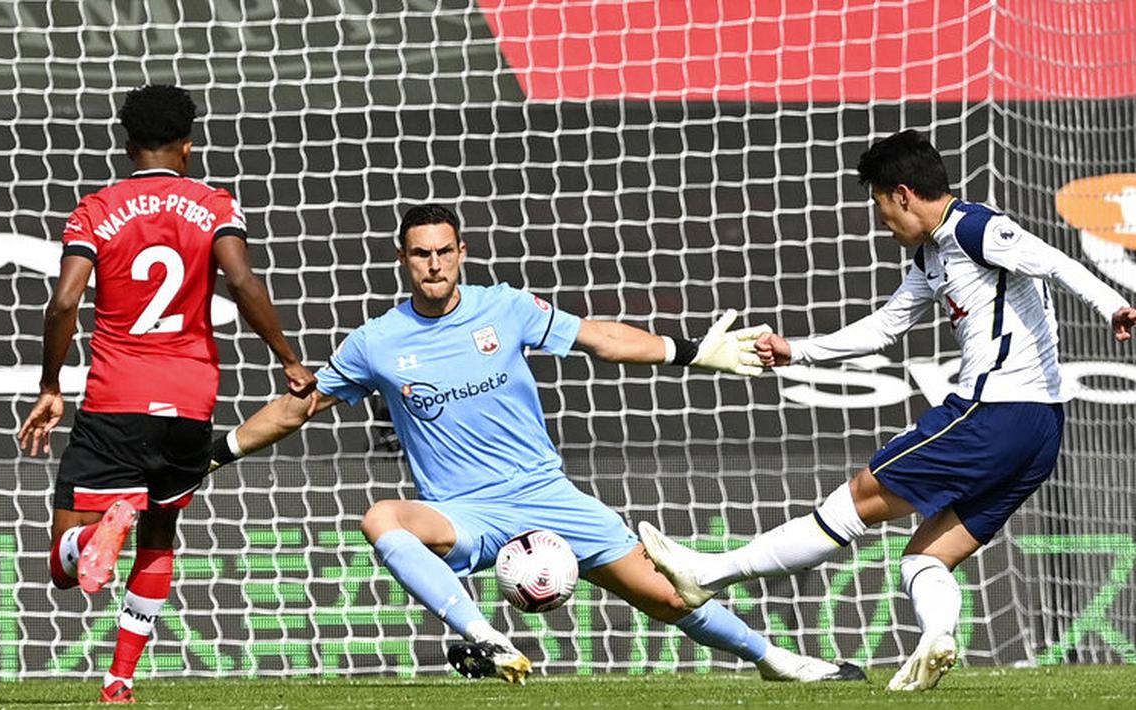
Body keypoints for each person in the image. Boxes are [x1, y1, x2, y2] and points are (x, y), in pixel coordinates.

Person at [206, 203, 867, 685]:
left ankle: (776, 661)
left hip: (547, 495)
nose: (433, 264)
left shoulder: (504, 308)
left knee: (671, 597)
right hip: (462, 511)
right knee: (382, 517)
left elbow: (601, 338)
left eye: (443, 251)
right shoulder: (375, 342)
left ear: (461, 253)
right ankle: (484, 636)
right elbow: (298, 407)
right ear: (401, 259)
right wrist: (219, 451)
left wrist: (689, 352)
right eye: (420, 254)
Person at [639, 129, 1136, 692]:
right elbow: (885, 327)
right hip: (1040, 431)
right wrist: (796, 350)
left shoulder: (975, 228)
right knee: (925, 558)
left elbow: (1055, 262)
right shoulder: (932, 254)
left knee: (854, 502)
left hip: (993, 411)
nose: (883, 223)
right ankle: (938, 637)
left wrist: (1113, 305)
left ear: (903, 194)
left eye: (881, 206)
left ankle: (710, 574)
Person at [16, 85, 314, 704]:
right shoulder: (214, 204)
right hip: (189, 404)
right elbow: (241, 280)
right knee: (158, 538)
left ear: (129, 147)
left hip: (116, 399)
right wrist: (288, 358)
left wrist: (50, 385)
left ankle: (96, 535)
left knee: (64, 568)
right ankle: (119, 680)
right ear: (188, 146)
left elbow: (65, 301)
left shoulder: (96, 209)